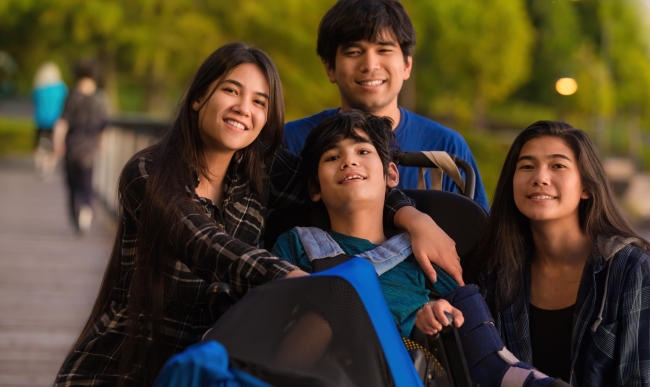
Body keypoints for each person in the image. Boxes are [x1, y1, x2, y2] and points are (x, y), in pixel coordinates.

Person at [54, 43, 461, 387]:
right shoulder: (146, 173)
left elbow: (345, 185)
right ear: (199, 97)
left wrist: (411, 217)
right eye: (231, 91)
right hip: (129, 364)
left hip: (223, 362)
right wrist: (296, 279)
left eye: (259, 102)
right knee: (339, 287)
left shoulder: (261, 173)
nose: (243, 109)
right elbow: (207, 244)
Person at [274, 111, 571, 387]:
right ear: (314, 187)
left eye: (363, 151)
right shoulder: (296, 243)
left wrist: (434, 318)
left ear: (391, 175)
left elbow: (473, 334)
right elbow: (280, 325)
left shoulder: (423, 252)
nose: (348, 161)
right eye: (332, 157)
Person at [466, 121, 650, 386]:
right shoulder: (494, 270)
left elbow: (641, 381)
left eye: (558, 165)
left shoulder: (630, 268)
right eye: (527, 166)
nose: (539, 178)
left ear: (586, 188)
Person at [282, 0, 490, 210]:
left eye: (384, 50)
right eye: (354, 52)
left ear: (407, 64)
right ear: (330, 68)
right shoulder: (292, 142)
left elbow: (478, 235)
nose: (370, 65)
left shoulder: (447, 148)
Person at [52, 60, 109, 233]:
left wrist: (57, 142)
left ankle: (76, 212)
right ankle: (87, 207)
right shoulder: (100, 98)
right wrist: (101, 143)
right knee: (87, 180)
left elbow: (63, 121)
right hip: (90, 146)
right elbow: (104, 125)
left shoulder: (72, 95)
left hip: (72, 144)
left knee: (72, 182)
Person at [31, 61, 68, 179]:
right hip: (56, 121)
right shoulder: (61, 88)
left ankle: (39, 166)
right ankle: (48, 171)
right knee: (53, 147)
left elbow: (34, 102)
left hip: (41, 120)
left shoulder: (38, 88)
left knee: (40, 145)